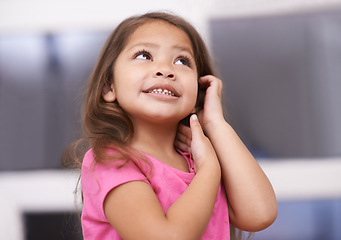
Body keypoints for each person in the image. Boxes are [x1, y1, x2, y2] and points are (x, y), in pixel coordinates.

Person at [79, 11, 278, 240]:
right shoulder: (110, 161)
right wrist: (211, 169)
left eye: (182, 61)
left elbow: (260, 213)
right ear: (108, 87)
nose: (165, 70)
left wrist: (214, 123)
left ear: (198, 92)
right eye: (144, 55)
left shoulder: (197, 160)